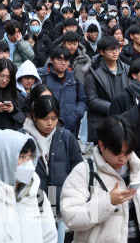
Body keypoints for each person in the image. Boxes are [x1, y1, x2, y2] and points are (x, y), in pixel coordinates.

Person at [60, 115, 140, 243]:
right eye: (116, 153)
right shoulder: (83, 172)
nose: (122, 159)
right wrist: (108, 201)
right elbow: (71, 217)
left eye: (127, 153)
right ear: (101, 145)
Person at [21, 95, 83, 242]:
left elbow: (79, 171)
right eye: (45, 119)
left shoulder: (66, 137)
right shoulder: (21, 139)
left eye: (54, 118)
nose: (50, 123)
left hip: (61, 211)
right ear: (34, 117)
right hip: (31, 212)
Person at [38, 46, 87, 136]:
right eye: (60, 60)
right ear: (51, 60)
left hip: (70, 127)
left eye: (66, 60)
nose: (63, 63)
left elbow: (82, 100)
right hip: (47, 127)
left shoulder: (74, 80)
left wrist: (76, 114)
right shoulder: (42, 77)